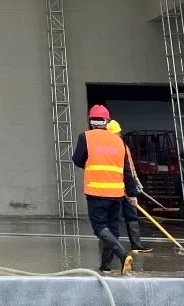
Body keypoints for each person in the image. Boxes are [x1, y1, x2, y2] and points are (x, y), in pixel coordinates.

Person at [72, 105, 139, 275]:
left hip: (96, 192)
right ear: (107, 121)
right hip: (116, 194)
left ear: (91, 121)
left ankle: (123, 255)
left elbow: (77, 160)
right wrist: (132, 194)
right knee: (113, 229)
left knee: (100, 227)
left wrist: (91, 163)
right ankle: (105, 266)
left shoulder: (85, 137)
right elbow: (126, 170)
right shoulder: (119, 141)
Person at [108, 120, 152, 254]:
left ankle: (135, 245)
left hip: (124, 186)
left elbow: (130, 169)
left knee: (130, 216)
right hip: (116, 188)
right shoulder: (112, 148)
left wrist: (135, 187)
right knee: (115, 218)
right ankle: (113, 247)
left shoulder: (122, 146)